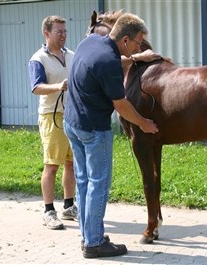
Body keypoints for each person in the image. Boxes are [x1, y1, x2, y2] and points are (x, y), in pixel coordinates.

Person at [64, 13, 159, 258]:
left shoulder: (91, 42)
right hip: (93, 129)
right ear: (125, 39)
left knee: (84, 182)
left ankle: (88, 234)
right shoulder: (108, 60)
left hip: (72, 123)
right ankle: (94, 244)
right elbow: (121, 105)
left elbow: (107, 63)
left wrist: (135, 57)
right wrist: (144, 123)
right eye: (138, 43)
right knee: (99, 184)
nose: (140, 47)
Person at [28, 15, 78, 230]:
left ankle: (69, 206)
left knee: (71, 164)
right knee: (52, 166)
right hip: (52, 117)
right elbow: (36, 87)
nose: (63, 35)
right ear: (46, 34)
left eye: (65, 31)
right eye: (59, 32)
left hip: (72, 116)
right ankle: (49, 211)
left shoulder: (72, 55)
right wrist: (58, 87)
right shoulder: (38, 59)